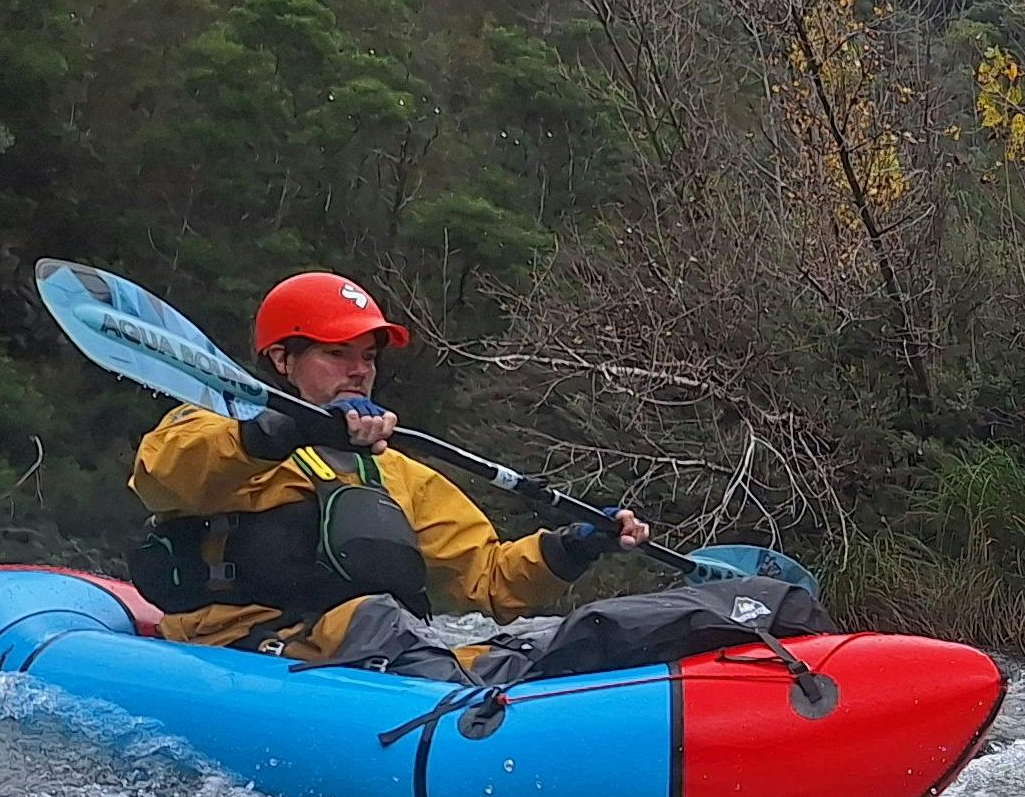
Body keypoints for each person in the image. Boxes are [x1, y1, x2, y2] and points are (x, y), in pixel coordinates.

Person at [127, 270, 646, 675]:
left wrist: (570, 548)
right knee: (376, 621)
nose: (359, 370)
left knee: (552, 641)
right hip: (240, 646)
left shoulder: (397, 472)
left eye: (368, 357)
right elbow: (163, 477)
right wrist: (277, 432)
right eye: (337, 353)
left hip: (368, 650)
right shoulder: (223, 431)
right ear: (283, 360)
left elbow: (488, 578)